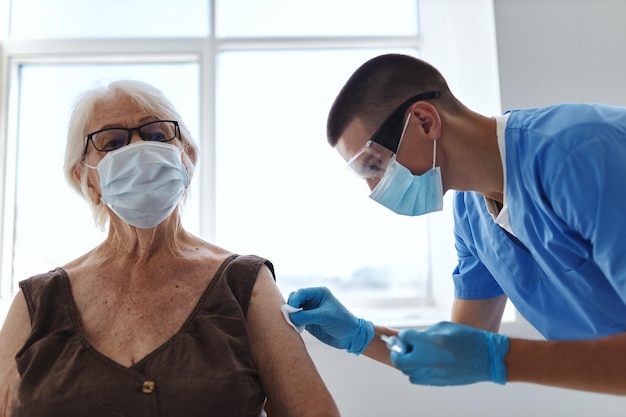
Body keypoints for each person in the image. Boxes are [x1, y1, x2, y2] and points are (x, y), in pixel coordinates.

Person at [286, 53, 626, 395]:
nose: (374, 189)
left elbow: (483, 354)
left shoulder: (581, 155)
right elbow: (461, 349)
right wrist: (361, 335)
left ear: (424, 121)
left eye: (374, 165)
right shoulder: (471, 215)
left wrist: (501, 360)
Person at [0, 80, 340, 417]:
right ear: (87, 179)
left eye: (158, 135)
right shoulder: (37, 302)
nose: (138, 149)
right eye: (112, 142)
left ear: (187, 159)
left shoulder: (244, 285)